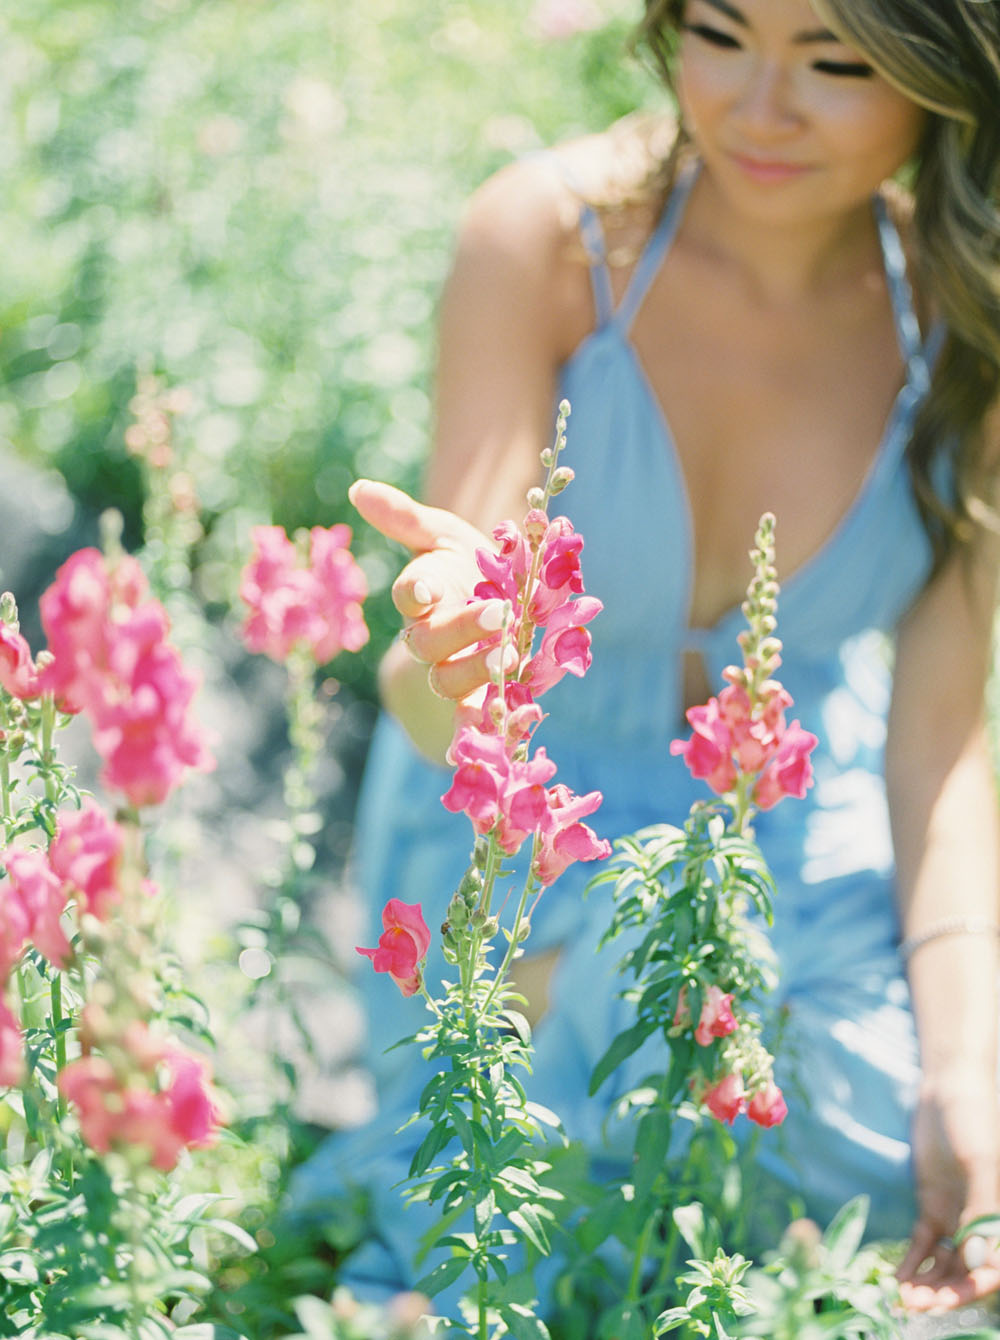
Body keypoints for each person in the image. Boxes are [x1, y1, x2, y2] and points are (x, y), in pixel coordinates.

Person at [295, 0, 1000, 1318]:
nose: (758, 104)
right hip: (517, 820)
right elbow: (431, 685)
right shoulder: (550, 243)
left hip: (793, 821)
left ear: (949, 84)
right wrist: (454, 648)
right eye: (721, 33)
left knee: (916, 1177)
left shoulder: (965, 322)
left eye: (838, 62)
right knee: (598, 1097)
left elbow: (941, 743)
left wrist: (968, 1064)